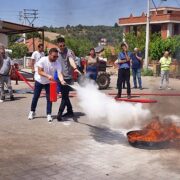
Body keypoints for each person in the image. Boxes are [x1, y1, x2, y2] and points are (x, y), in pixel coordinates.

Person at [28, 48, 65, 122]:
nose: (56, 58)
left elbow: (59, 73)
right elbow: (40, 71)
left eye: (57, 56)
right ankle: (32, 111)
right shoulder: (43, 60)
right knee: (36, 97)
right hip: (39, 80)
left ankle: (49, 114)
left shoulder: (57, 63)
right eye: (54, 56)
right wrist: (48, 76)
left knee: (49, 98)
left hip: (48, 82)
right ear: (49, 54)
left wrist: (62, 80)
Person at [56, 37, 81, 121]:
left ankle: (59, 114)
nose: (62, 47)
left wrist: (75, 68)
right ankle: (70, 111)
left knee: (64, 96)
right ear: (58, 45)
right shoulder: (56, 52)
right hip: (60, 76)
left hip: (67, 77)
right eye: (61, 46)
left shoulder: (68, 51)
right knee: (65, 96)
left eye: (63, 45)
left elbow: (71, 60)